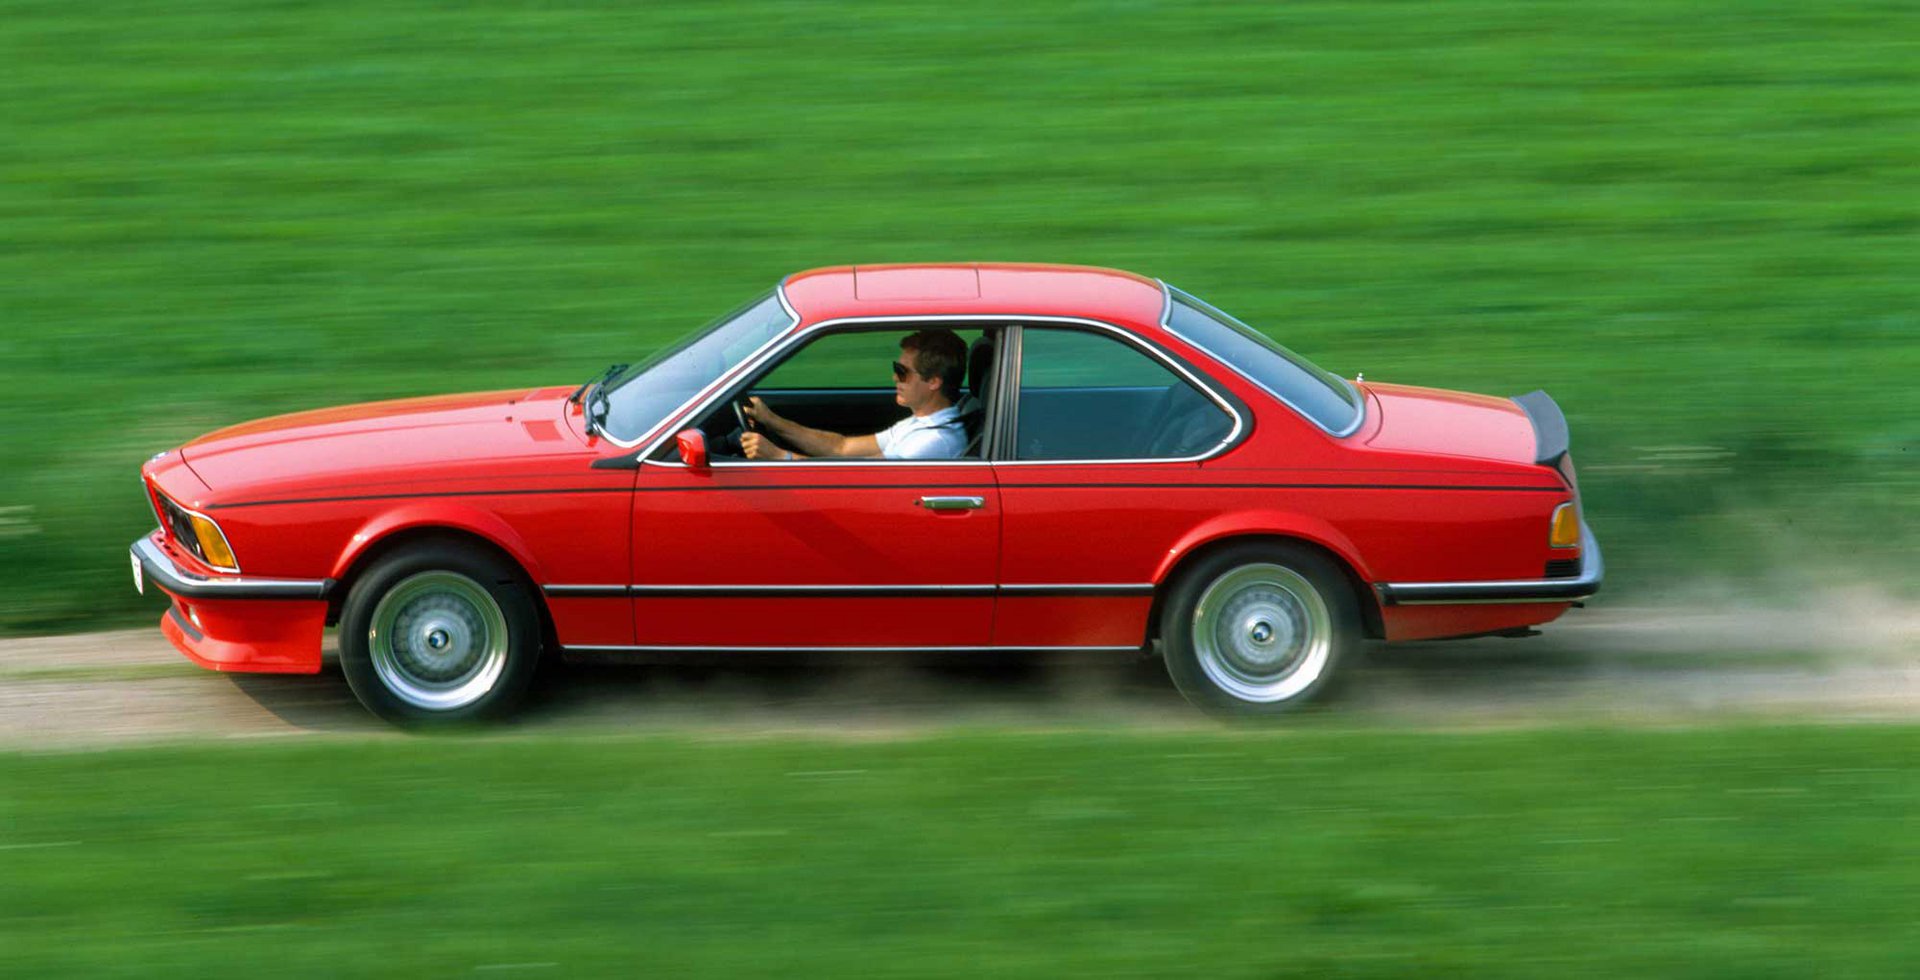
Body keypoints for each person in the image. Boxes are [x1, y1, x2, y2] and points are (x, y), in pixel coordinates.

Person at [742, 329, 969, 461]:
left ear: (933, 382)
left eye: (902, 372)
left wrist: (779, 457)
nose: (894, 377)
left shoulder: (932, 441)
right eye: (896, 369)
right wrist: (771, 420)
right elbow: (841, 447)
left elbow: (858, 477)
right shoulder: (919, 423)